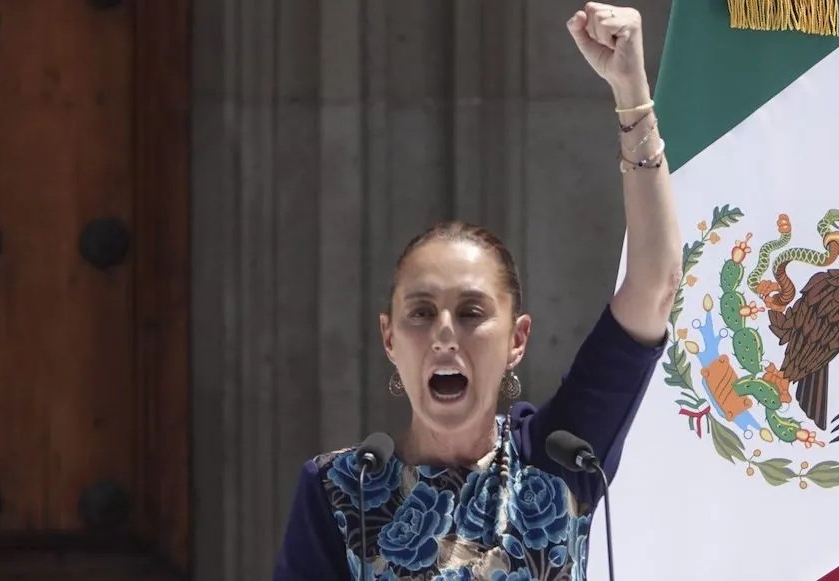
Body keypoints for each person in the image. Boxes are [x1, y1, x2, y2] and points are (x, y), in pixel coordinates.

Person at [273, 3, 679, 579]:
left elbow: (655, 283)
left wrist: (632, 98)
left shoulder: (561, 456)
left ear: (518, 338)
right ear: (388, 337)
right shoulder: (340, 491)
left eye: (471, 312)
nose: (444, 332)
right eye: (420, 312)